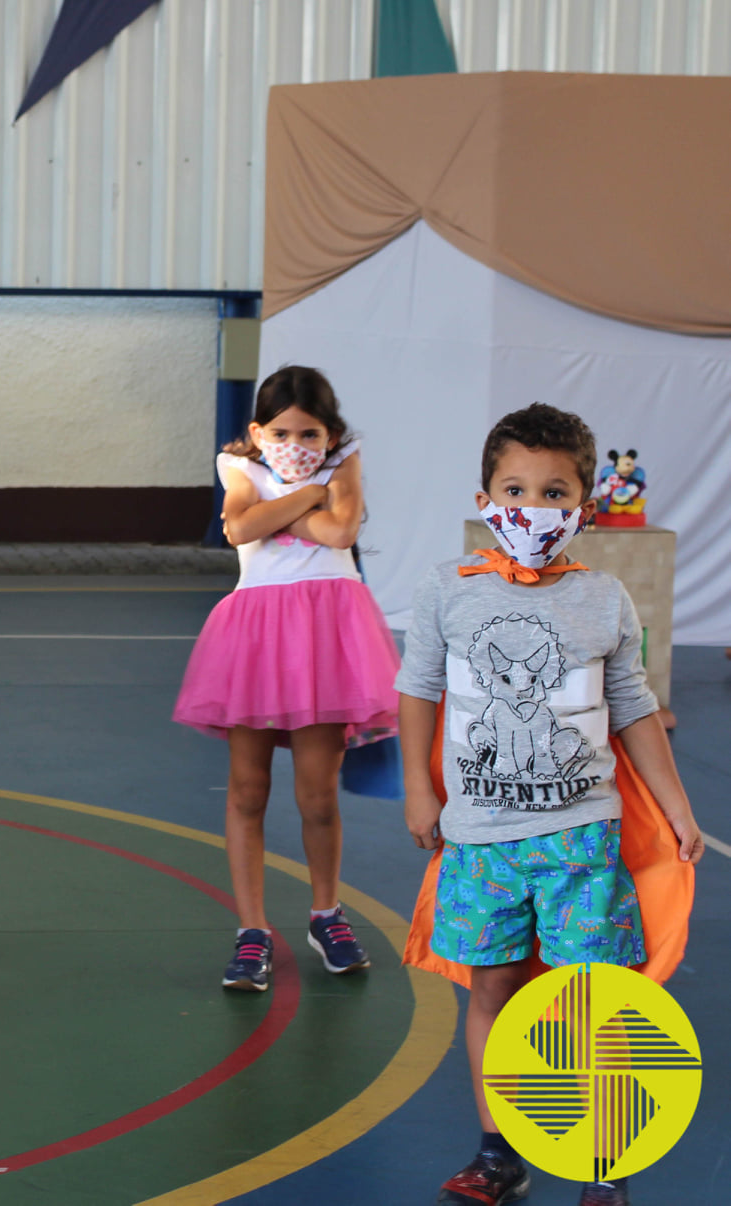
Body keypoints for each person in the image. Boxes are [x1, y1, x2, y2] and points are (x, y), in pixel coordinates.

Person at [398, 403, 703, 1206]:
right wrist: (419, 787)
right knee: (493, 991)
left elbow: (633, 705)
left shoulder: (603, 599)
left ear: (584, 506)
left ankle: (606, 1157)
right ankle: (500, 1153)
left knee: (594, 1004)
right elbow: (418, 690)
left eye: (555, 492)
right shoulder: (446, 590)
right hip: (481, 840)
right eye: (516, 488)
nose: (533, 508)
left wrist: (676, 808)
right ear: (486, 497)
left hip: (581, 843)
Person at [173, 366, 400, 991]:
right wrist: (306, 498)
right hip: (256, 635)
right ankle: (252, 931)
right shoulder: (239, 468)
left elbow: (342, 532)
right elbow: (239, 528)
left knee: (316, 796)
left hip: (328, 636)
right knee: (247, 791)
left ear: (329, 435)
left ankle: (326, 913)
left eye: (309, 432)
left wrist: (286, 512)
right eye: (281, 431)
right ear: (257, 431)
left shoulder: (344, 463)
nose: (295, 443)